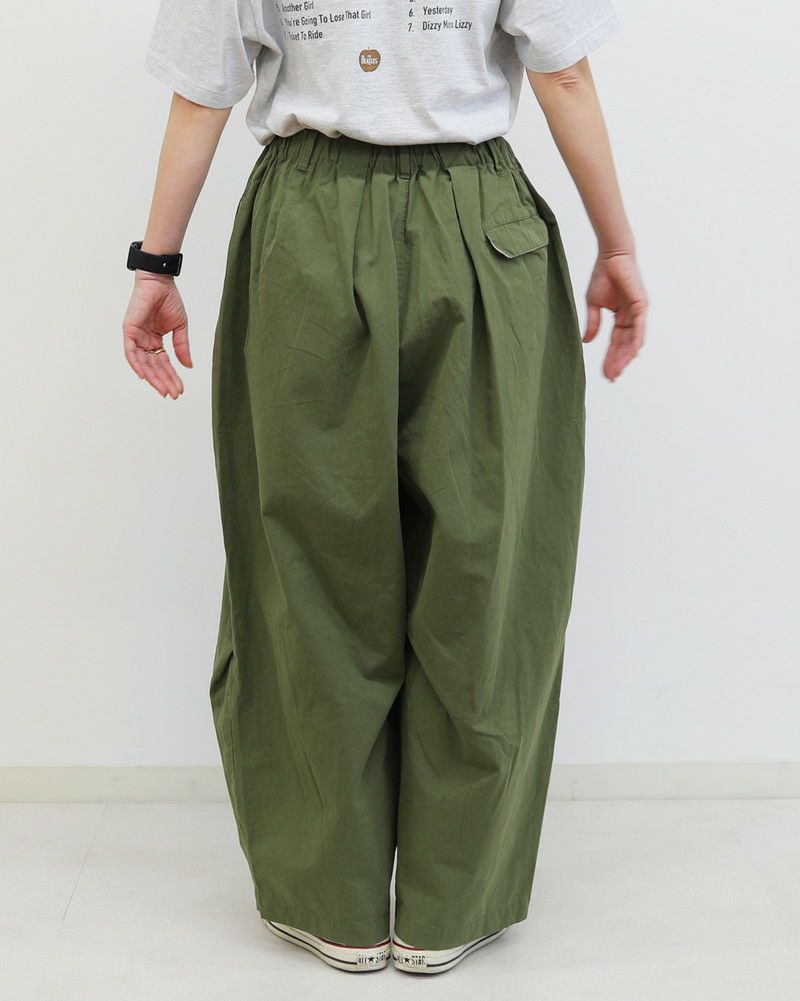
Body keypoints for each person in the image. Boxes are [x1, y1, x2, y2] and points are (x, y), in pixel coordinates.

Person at [122, 0, 647, 976]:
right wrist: (615, 249)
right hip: (477, 219)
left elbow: (202, 90)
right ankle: (453, 901)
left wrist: (156, 261)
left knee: (309, 564)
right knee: (486, 565)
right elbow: (563, 73)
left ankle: (333, 899)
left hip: (306, 226)